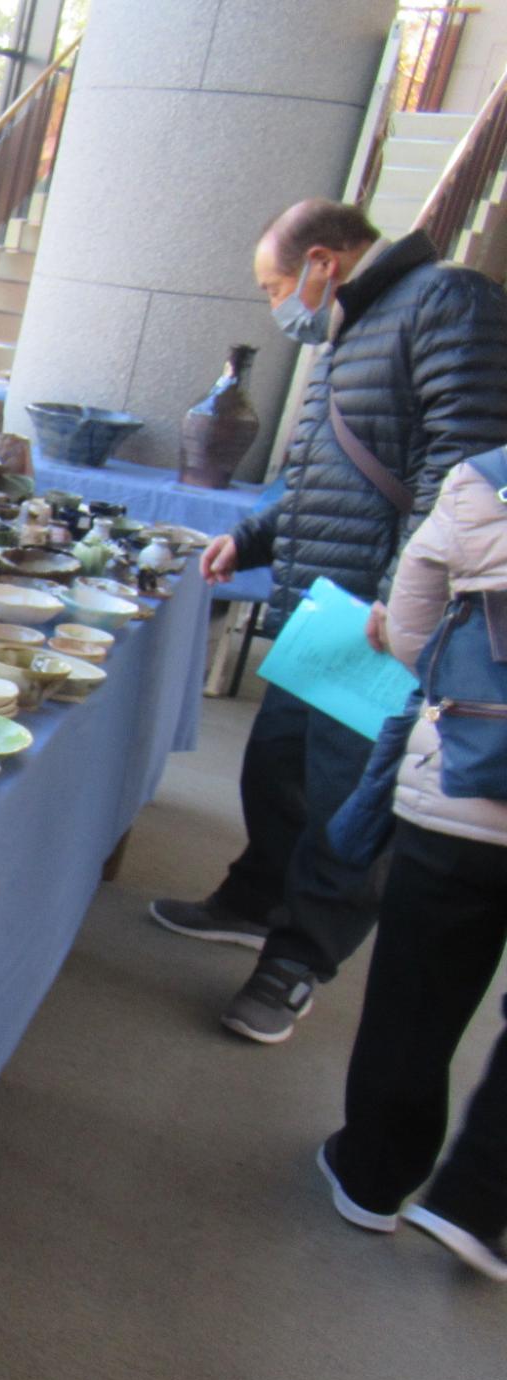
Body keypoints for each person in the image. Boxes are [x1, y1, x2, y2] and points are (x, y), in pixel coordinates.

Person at [150, 198, 507, 1044]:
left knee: (349, 799)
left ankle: (298, 961)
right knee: (279, 766)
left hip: (385, 617)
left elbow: (466, 465)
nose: (281, 306)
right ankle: (254, 899)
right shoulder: (355, 328)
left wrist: (403, 592)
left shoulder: (445, 302)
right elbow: (321, 477)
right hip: (327, 610)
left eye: (278, 285)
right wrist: (250, 537)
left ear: (323, 260)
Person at [316, 453, 507, 1280]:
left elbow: (414, 626)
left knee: (418, 992)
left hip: (465, 789)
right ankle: (478, 1202)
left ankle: (374, 1175)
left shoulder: (484, 483)